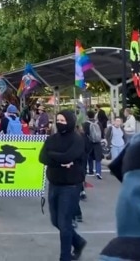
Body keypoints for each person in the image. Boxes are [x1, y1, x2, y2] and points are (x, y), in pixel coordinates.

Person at [39, 110, 87, 261]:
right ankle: (78, 241)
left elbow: (70, 155)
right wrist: (61, 161)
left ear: (70, 121)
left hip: (71, 186)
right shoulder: (52, 138)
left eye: (63, 120)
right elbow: (42, 157)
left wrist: (53, 156)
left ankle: (65, 257)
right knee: (55, 221)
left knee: (64, 223)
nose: (59, 123)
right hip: (54, 184)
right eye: (57, 120)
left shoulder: (77, 139)